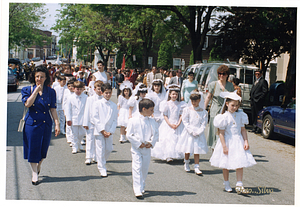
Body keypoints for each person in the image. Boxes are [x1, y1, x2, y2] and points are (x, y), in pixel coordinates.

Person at [209, 91, 256, 193]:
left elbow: (243, 130)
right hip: (227, 141)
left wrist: (246, 141)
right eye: (232, 105)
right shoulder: (223, 117)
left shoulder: (240, 115)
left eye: (236, 105)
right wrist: (224, 146)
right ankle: (226, 182)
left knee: (240, 162)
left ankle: (239, 183)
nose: (234, 108)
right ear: (227, 104)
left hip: (238, 141)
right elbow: (221, 133)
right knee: (226, 163)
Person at [21, 66, 60, 185]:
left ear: (46, 78)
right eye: (37, 76)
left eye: (42, 77)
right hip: (31, 124)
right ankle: (34, 173)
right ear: (34, 77)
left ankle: (39, 164)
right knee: (33, 148)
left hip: (45, 122)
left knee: (43, 148)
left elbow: (53, 109)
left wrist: (57, 124)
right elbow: (27, 104)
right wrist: (35, 91)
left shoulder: (51, 91)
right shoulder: (27, 89)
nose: (39, 79)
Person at [126, 98, 159, 199]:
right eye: (151, 110)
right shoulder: (133, 120)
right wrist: (137, 143)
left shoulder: (152, 121)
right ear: (144, 109)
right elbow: (129, 134)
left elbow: (156, 134)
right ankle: (137, 189)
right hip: (137, 149)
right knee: (137, 167)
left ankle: (142, 185)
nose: (153, 112)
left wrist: (151, 142)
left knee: (144, 168)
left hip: (147, 149)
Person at [176, 90, 208, 174]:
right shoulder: (187, 110)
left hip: (198, 132)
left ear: (199, 100)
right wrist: (190, 131)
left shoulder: (203, 112)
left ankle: (197, 167)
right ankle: (186, 163)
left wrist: (199, 131)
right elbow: (185, 121)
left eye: (196, 101)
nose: (194, 102)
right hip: (189, 132)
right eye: (192, 101)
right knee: (188, 149)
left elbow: (204, 123)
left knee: (197, 150)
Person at [151, 84, 185, 162]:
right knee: (168, 139)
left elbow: (181, 115)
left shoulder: (181, 104)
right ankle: (168, 156)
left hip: (177, 124)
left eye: (176, 94)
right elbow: (165, 115)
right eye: (173, 94)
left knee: (177, 139)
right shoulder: (166, 103)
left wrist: (178, 123)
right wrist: (170, 124)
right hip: (168, 123)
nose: (174, 96)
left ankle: (178, 154)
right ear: (169, 94)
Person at [204, 65, 234, 149]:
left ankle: (223, 149)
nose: (221, 76)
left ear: (227, 75)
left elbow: (232, 99)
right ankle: (214, 151)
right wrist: (203, 110)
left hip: (225, 111)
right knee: (214, 131)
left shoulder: (230, 86)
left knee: (224, 131)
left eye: (223, 74)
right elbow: (208, 97)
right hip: (215, 111)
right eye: (219, 74)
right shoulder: (213, 84)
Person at [92, 83, 118, 177]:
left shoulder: (114, 106)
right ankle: (101, 167)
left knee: (109, 149)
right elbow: (95, 118)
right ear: (102, 93)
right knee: (100, 149)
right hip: (100, 131)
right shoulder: (97, 104)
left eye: (109, 93)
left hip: (109, 131)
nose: (108, 95)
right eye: (106, 93)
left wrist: (110, 131)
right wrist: (102, 130)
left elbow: (115, 120)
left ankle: (102, 161)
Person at [83, 80, 104, 165]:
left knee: (98, 141)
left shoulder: (103, 99)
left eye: (101, 89)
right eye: (98, 89)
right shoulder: (90, 99)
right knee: (90, 139)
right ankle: (88, 157)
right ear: (94, 89)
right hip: (91, 122)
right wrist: (85, 122)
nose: (99, 91)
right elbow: (87, 110)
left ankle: (96, 156)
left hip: (100, 123)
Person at [66, 81, 88, 154]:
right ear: (74, 89)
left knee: (82, 133)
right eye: (77, 89)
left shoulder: (86, 97)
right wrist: (68, 119)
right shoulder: (70, 98)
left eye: (80, 89)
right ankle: (74, 146)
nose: (78, 91)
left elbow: (88, 109)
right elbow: (68, 109)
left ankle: (79, 143)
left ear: (83, 89)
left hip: (83, 118)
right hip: (74, 118)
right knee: (74, 133)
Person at [63, 78, 76, 145]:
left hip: (74, 110)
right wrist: (63, 109)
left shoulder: (76, 93)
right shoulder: (66, 91)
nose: (71, 88)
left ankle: (74, 138)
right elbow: (64, 101)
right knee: (68, 124)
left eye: (72, 86)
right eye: (69, 86)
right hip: (67, 109)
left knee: (74, 125)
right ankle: (69, 137)